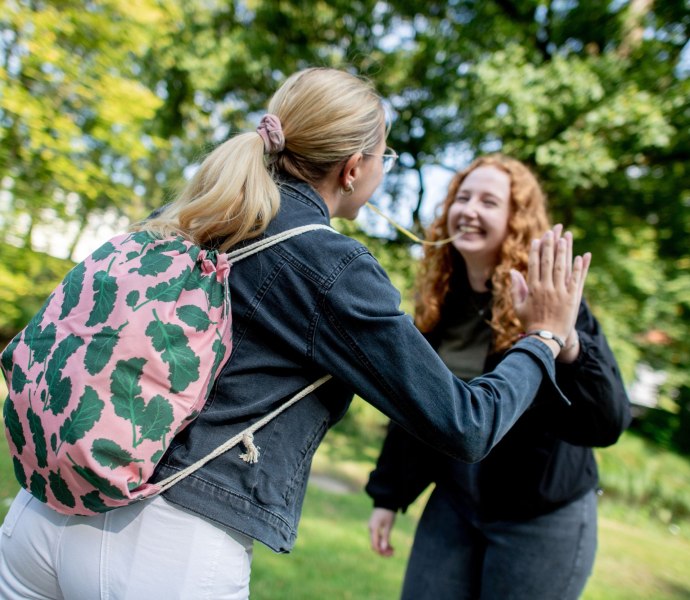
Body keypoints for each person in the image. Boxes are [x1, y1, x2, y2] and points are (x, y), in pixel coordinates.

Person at [0, 70, 589, 600]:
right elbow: (465, 422)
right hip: (163, 547)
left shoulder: (202, 214)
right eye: (384, 155)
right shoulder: (329, 265)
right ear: (354, 167)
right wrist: (541, 338)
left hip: (40, 514)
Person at [366, 154, 631, 600]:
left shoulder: (550, 297)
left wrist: (561, 341)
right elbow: (418, 407)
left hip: (540, 515)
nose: (469, 210)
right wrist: (388, 495)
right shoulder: (440, 303)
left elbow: (608, 421)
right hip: (456, 503)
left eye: (489, 202)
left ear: (515, 221)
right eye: (462, 198)